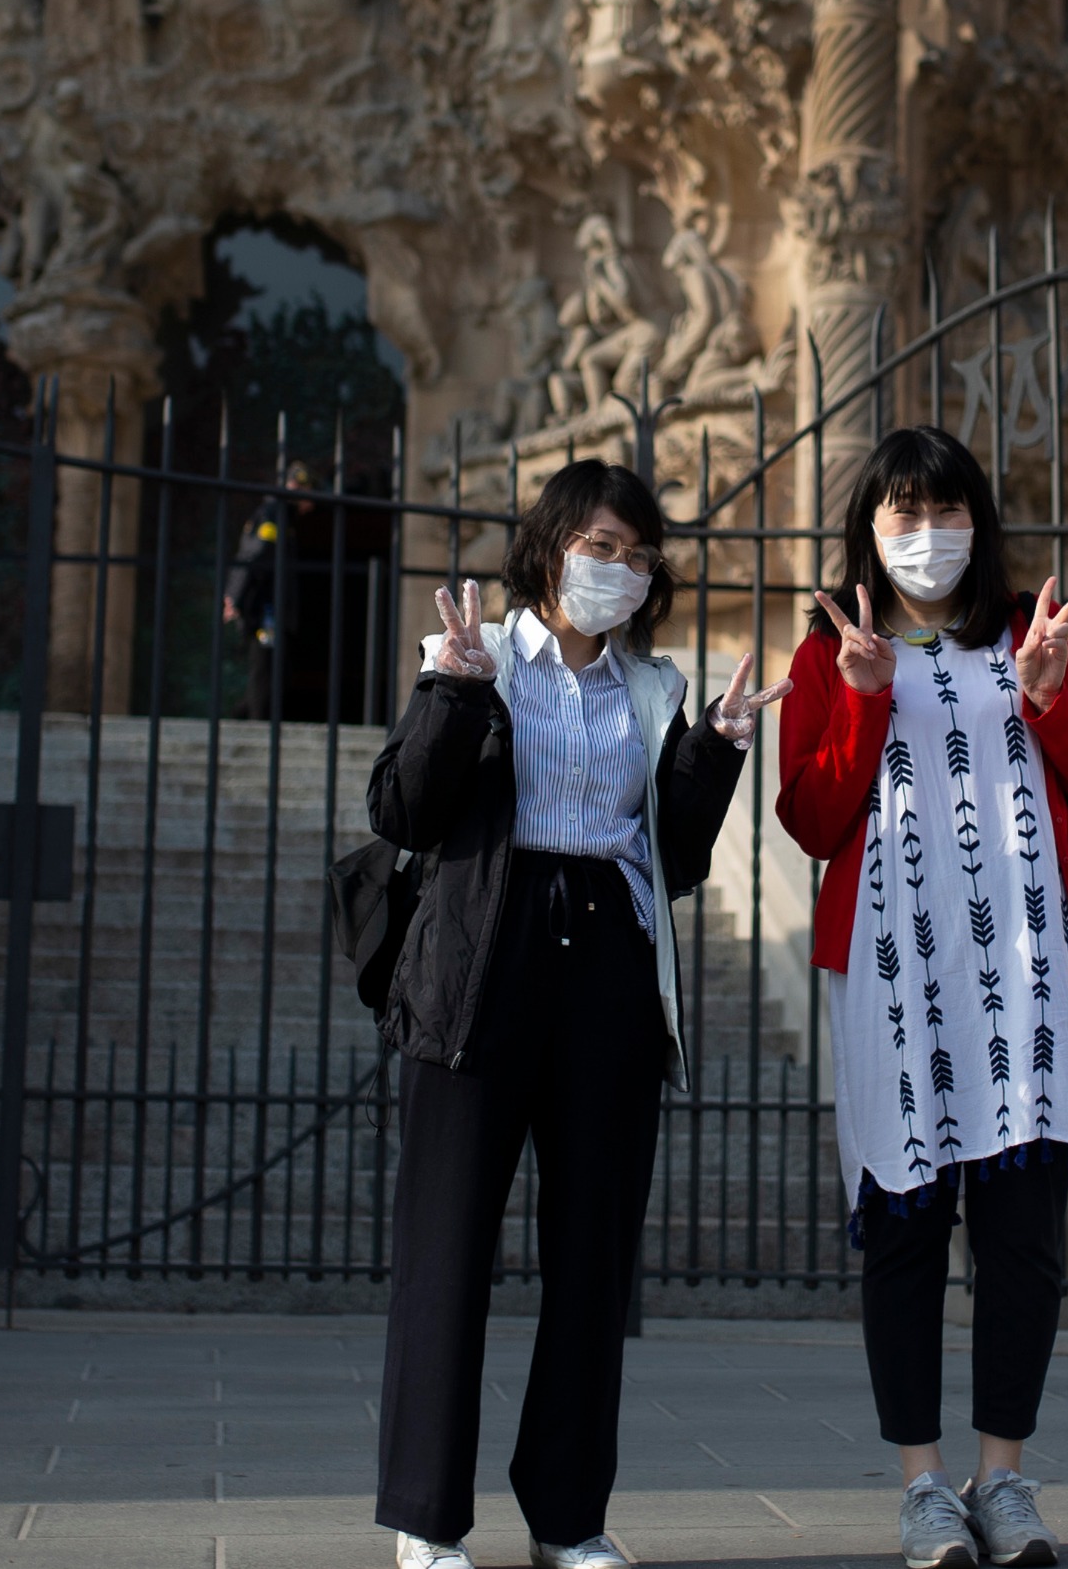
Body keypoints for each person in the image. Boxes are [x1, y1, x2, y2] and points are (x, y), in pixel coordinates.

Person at [370, 459, 787, 1569]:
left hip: (608, 954)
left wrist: (714, 752)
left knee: (593, 1256)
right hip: (483, 952)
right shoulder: (478, 655)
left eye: (638, 556)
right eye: (601, 546)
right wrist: (452, 692)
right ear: (550, 547)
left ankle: (568, 1517)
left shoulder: (654, 688)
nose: (619, 569)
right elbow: (403, 809)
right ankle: (425, 1520)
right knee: (446, 1248)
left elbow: (676, 857)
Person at [779, 426, 1068, 1569]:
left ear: (980, 521)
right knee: (906, 1227)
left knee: (1023, 1236)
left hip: (1026, 969)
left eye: (946, 511)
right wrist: (862, 699)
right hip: (895, 971)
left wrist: (1050, 697)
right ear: (868, 530)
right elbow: (809, 818)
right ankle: (924, 1486)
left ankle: (1003, 1477)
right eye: (904, 513)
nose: (927, 534)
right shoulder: (831, 648)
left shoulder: (1033, 633)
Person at [220, 462, 319, 720]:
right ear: (298, 488)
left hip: (271, 607)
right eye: (309, 494)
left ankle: (252, 717)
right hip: (266, 608)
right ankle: (257, 724)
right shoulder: (275, 513)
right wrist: (235, 596)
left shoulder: (284, 517)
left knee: (274, 667)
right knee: (264, 666)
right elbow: (255, 554)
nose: (311, 504)